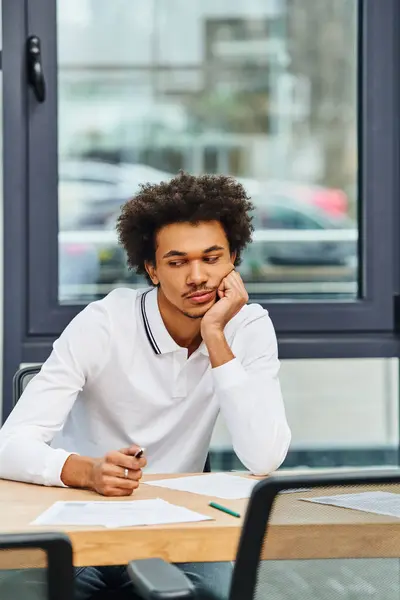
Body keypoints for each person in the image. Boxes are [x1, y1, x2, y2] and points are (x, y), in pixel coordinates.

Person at [0, 171, 291, 600]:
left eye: (212, 258)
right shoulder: (104, 323)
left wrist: (215, 337)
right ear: (152, 269)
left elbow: (264, 456)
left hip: (179, 524)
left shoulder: (248, 326)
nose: (198, 277)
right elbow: (9, 445)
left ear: (233, 261)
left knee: (217, 594)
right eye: (177, 262)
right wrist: (88, 472)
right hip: (81, 518)